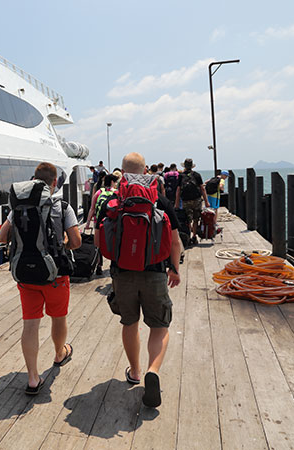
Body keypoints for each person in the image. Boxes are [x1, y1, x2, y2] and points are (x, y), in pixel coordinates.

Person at [95, 152, 182, 408]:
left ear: (122, 171)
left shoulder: (113, 199)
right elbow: (175, 241)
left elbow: (101, 241)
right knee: (159, 325)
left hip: (123, 274)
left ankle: (134, 371)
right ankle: (152, 370)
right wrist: (174, 269)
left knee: (130, 322)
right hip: (155, 272)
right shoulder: (159, 201)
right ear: (145, 172)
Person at [0, 162, 82, 394]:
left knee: (30, 324)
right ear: (54, 182)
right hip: (55, 275)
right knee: (58, 317)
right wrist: (61, 243)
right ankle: (59, 353)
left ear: (33, 179)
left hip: (25, 276)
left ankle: (33, 378)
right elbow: (76, 243)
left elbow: (1, 238)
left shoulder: (18, 209)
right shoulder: (62, 206)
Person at [174, 158, 209, 245]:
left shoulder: (181, 176)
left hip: (186, 200)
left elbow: (178, 190)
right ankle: (194, 237)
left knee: (188, 220)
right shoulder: (197, 175)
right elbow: (202, 189)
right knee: (196, 219)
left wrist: (177, 203)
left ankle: (188, 237)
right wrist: (206, 201)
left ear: (184, 166)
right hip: (196, 200)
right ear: (192, 166)